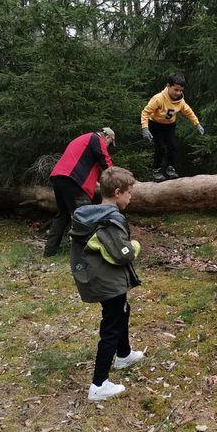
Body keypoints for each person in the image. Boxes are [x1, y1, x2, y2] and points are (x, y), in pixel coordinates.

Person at [69, 166, 144, 401]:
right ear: (119, 192)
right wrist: (135, 246)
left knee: (122, 311)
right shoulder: (111, 219)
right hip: (107, 281)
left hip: (99, 277)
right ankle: (98, 384)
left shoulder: (93, 214)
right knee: (112, 325)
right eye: (130, 192)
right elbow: (121, 254)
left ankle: (124, 355)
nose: (131, 197)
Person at [43, 127, 116, 257]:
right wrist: (118, 178)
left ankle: (49, 252)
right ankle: (87, 254)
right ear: (107, 137)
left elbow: (83, 163)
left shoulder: (83, 139)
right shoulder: (96, 138)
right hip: (73, 179)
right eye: (110, 143)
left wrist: (96, 182)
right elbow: (105, 161)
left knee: (62, 215)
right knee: (86, 215)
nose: (108, 147)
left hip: (59, 177)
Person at [140, 73, 204, 183]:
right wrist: (145, 128)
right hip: (156, 124)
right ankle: (156, 170)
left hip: (169, 125)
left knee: (172, 146)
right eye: (176, 90)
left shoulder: (180, 100)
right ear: (168, 86)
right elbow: (145, 112)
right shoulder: (158, 98)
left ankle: (171, 168)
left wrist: (197, 124)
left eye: (180, 90)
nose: (178, 93)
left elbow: (188, 112)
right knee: (160, 147)